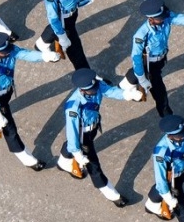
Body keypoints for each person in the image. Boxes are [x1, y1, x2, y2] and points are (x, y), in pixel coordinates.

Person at [0, 31, 57, 169]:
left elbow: (26, 54)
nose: (9, 52)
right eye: (4, 51)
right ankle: (27, 159)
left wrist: (44, 56)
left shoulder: (9, 50)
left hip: (8, 90)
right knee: (10, 130)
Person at [120, 0, 184, 117]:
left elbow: (179, 19)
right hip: (149, 64)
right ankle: (167, 117)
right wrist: (142, 79)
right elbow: (136, 59)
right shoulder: (141, 35)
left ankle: (126, 82)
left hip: (161, 59)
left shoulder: (164, 18)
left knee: (149, 80)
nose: (164, 18)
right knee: (160, 93)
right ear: (151, 19)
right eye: (160, 17)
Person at [58, 68, 138, 204]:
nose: (96, 90)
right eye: (91, 90)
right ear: (82, 90)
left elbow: (109, 91)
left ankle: (63, 162)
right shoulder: (73, 107)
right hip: (82, 134)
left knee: (72, 143)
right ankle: (112, 195)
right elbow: (72, 132)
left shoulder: (95, 86)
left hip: (93, 127)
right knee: (94, 166)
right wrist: (77, 153)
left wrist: (127, 95)